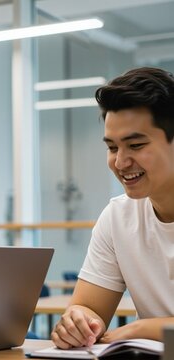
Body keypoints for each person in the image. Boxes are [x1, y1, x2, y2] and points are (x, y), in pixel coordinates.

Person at [51, 67, 174, 349]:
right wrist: (77, 322)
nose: (120, 163)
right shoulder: (117, 217)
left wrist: (144, 328)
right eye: (112, 147)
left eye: (136, 145)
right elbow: (87, 308)